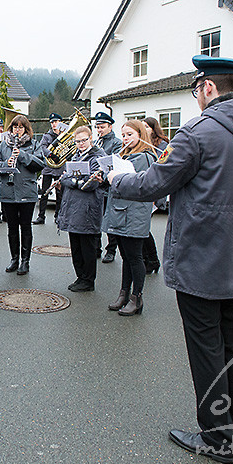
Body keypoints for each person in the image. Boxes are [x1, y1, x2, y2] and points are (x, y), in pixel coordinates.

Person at [107, 56, 233, 463]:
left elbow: (154, 183)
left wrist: (117, 178)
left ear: (207, 88)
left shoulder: (199, 131)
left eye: (196, 91)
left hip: (203, 256)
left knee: (206, 348)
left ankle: (218, 439)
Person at [102, 120, 156, 314]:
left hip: (134, 212)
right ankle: (124, 294)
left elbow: (134, 183)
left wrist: (114, 176)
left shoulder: (143, 157)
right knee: (126, 256)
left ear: (140, 135)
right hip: (121, 210)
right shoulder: (125, 156)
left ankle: (137, 298)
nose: (125, 139)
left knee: (135, 257)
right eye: (123, 135)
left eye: (130, 135)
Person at [0, 114, 45, 275]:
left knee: (26, 227)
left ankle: (25, 261)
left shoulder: (33, 144)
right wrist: (4, 164)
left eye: (21, 127)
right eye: (15, 127)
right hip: (8, 192)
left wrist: (21, 155)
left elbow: (40, 163)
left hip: (27, 192)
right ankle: (14, 259)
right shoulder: (3, 145)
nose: (18, 130)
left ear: (26, 129)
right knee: (12, 228)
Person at [56, 126, 106, 291]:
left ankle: (88, 280)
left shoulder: (98, 157)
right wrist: (75, 181)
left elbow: (91, 184)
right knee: (76, 247)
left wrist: (74, 182)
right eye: (78, 141)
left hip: (88, 209)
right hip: (73, 208)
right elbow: (65, 178)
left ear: (90, 138)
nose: (81, 144)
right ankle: (80, 277)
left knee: (87, 248)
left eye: (84, 140)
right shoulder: (75, 156)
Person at [92, 111, 122, 263]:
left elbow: (114, 163)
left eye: (102, 127)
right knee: (96, 218)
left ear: (110, 127)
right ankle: (96, 247)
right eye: (97, 127)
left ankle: (111, 250)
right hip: (97, 185)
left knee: (110, 220)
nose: (99, 130)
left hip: (108, 186)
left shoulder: (116, 143)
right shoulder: (97, 142)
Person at [141, 117, 169, 273]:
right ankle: (148, 259)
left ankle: (152, 260)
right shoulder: (142, 144)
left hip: (154, 193)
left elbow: (162, 171)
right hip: (144, 190)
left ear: (153, 128)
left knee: (143, 229)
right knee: (141, 229)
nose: (144, 129)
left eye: (147, 126)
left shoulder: (162, 145)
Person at [34, 113, 68, 224]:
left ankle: (58, 215)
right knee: (45, 192)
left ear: (61, 122)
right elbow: (42, 147)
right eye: (52, 122)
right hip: (48, 167)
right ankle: (41, 216)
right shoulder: (46, 136)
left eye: (56, 122)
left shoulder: (66, 135)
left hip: (60, 167)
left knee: (60, 192)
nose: (54, 124)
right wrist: (50, 155)